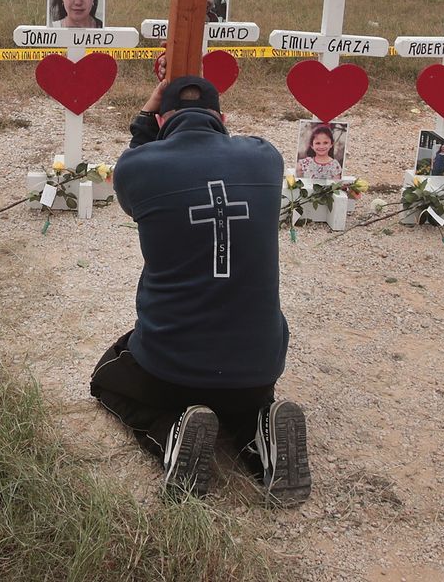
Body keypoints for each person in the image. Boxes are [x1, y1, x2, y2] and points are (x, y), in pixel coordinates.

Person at [90, 64, 310, 505]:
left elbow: (132, 175)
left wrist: (145, 119)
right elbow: (227, 150)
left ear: (161, 121)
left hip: (172, 361)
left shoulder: (138, 166)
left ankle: (170, 432)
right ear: (223, 120)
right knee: (239, 397)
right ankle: (260, 430)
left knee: (108, 378)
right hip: (259, 361)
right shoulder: (266, 157)